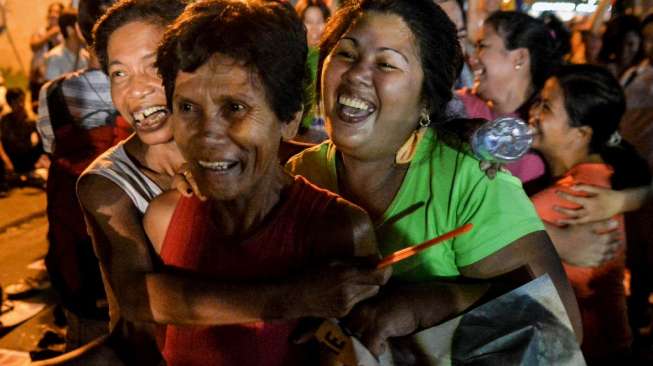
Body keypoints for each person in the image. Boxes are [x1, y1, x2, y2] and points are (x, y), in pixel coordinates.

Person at [286, 0, 581, 356]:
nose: (356, 74)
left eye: (385, 64)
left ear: (426, 100)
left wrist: (430, 302)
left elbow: (559, 324)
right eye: (346, 54)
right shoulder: (300, 176)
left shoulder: (467, 181)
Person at [527, 64, 647, 364]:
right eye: (538, 100)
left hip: (587, 353)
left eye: (546, 106)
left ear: (581, 134)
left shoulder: (575, 197)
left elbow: (481, 231)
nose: (533, 112)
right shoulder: (609, 178)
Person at [36, 0, 118, 352]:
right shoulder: (149, 94)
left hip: (77, 246)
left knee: (86, 342)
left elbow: (51, 146)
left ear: (81, 29)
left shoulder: (53, 93)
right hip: (140, 250)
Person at [294, 0, 331, 143]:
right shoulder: (291, 57)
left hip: (327, 136)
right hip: (298, 134)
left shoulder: (333, 56)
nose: (315, 28)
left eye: (320, 21)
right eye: (309, 22)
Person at [0, 88, 45, 177]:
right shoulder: (5, 120)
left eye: (21, 101)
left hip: (27, 157)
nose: (20, 104)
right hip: (11, 157)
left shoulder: (31, 120)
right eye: (16, 102)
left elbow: (42, 141)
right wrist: (6, 160)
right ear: (10, 104)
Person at [29, 2, 64, 108]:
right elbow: (33, 46)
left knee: (53, 108)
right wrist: (50, 33)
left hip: (55, 79)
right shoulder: (40, 31)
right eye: (51, 11)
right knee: (36, 107)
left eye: (57, 12)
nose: (53, 14)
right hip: (37, 78)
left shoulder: (65, 34)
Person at [43, 7, 89, 82]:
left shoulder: (86, 57)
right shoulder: (55, 58)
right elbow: (52, 91)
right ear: (70, 30)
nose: (85, 30)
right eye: (80, 26)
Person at [598, 15, 643, 79]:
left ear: (640, 43)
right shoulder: (602, 70)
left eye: (630, 44)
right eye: (619, 44)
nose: (624, 51)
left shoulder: (645, 75)